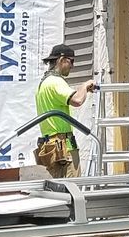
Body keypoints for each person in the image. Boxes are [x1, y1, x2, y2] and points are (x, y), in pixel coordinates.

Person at [33, 45, 95, 179]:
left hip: (50, 146)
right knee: (72, 187)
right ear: (61, 60)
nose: (72, 66)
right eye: (71, 61)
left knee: (56, 187)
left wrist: (83, 90)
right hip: (63, 147)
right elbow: (77, 100)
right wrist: (84, 85)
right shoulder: (56, 82)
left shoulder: (44, 84)